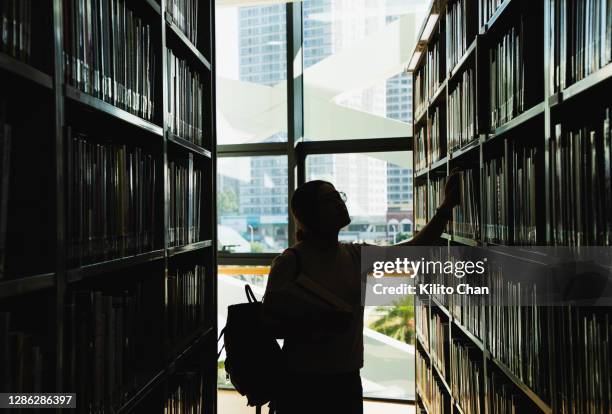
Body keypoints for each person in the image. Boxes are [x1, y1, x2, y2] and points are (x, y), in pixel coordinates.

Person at [262, 170, 461, 414]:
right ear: (309, 214)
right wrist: (318, 323)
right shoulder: (290, 262)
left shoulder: (355, 256)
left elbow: (412, 250)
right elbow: (269, 326)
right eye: (329, 200)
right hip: (302, 382)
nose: (339, 203)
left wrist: (446, 207)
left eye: (339, 196)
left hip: (346, 379)